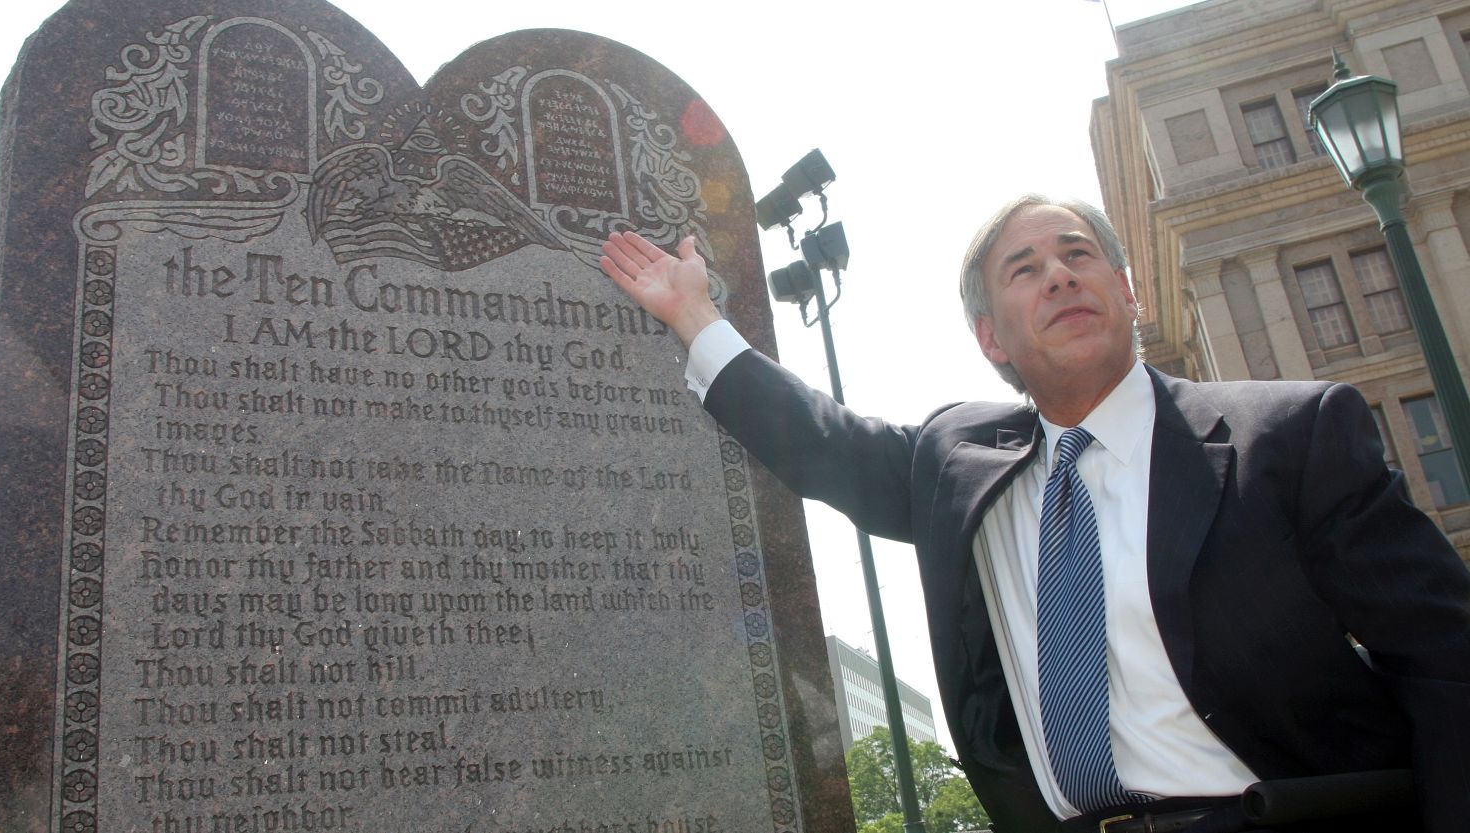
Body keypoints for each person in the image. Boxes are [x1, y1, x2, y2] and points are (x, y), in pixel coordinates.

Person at [599, 195, 1470, 833]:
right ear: (990, 338)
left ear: (1133, 294)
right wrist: (697, 316)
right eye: (1026, 269)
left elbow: (1447, 661)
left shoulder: (1290, 436)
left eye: (1079, 254)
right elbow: (825, 441)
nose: (1059, 273)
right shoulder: (958, 466)